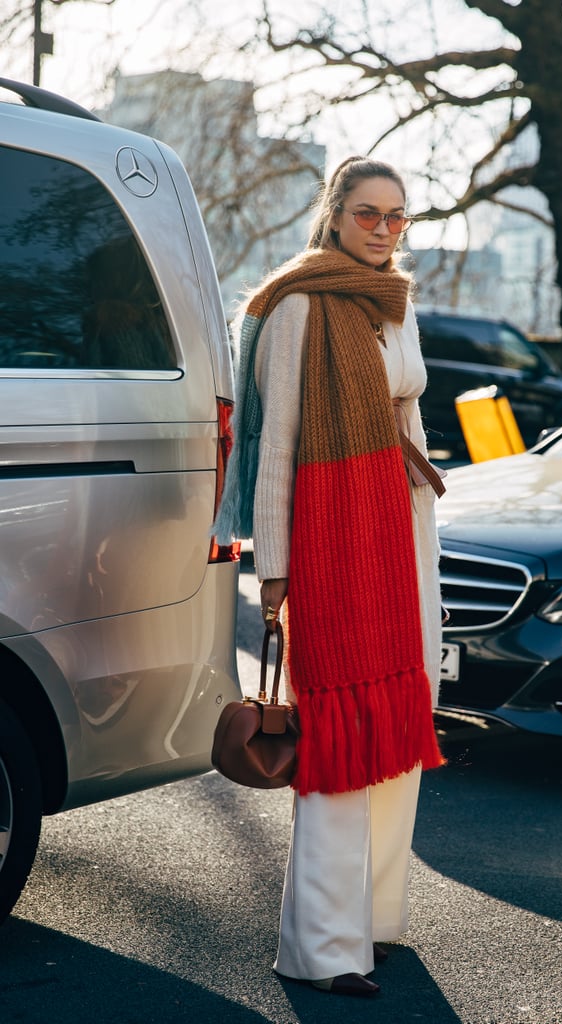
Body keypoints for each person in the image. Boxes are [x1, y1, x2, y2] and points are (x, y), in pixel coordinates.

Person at [214, 155, 446, 998]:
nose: (383, 230)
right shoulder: (297, 305)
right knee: (343, 735)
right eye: (367, 214)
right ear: (333, 214)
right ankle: (320, 947)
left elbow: (406, 416)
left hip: (401, 532)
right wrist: (272, 571)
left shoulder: (396, 302)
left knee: (399, 722)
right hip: (334, 540)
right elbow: (273, 448)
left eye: (396, 217)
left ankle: (375, 921)